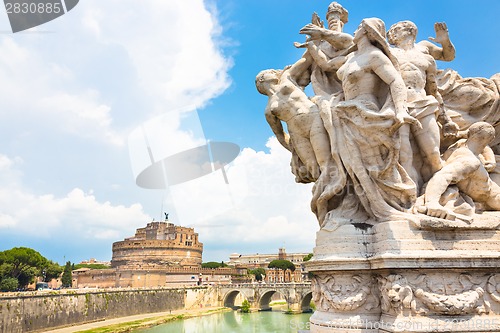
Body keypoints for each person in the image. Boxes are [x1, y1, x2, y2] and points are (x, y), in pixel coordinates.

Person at [301, 18, 420, 220]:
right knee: (349, 166)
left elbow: (395, 81)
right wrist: (312, 45)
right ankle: (358, 206)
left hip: (366, 112)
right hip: (345, 113)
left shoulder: (374, 56)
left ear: (368, 32)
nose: (354, 31)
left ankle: (391, 204)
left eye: (358, 28)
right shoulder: (351, 57)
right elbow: (327, 64)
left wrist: (400, 109)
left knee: (372, 166)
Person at [255, 57, 346, 224]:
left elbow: (307, 59)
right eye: (270, 72)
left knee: (326, 164)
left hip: (313, 121)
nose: (275, 72)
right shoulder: (269, 109)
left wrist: (313, 41)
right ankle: (328, 210)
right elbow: (280, 135)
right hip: (297, 134)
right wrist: (293, 149)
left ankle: (341, 206)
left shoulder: (288, 78)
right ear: (262, 80)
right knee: (315, 171)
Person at [387, 21, 459, 184]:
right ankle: (410, 196)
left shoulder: (424, 51)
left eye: (397, 29)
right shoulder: (388, 52)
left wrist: (445, 119)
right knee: (404, 157)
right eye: (393, 30)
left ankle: (443, 189)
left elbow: (433, 87)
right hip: (397, 106)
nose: (393, 33)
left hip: (423, 104)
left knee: (433, 153)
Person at [421, 122, 500, 220]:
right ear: (490, 139)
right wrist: (431, 202)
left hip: (488, 194)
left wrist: (491, 160)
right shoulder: (471, 161)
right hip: (492, 197)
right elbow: (443, 176)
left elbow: (485, 149)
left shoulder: (459, 146)